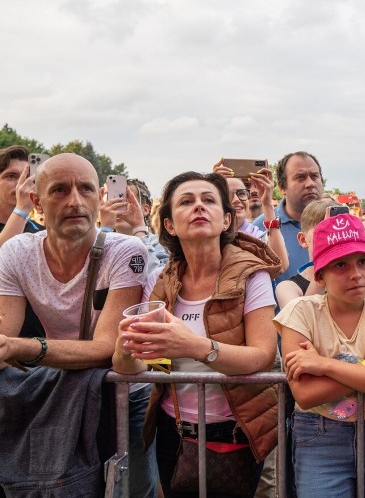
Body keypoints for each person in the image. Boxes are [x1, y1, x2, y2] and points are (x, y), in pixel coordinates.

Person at [112, 171, 282, 498]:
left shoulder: (251, 274)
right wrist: (125, 352)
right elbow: (155, 368)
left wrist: (194, 346)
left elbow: (263, 355)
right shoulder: (160, 282)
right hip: (173, 432)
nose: (199, 207)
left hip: (237, 432)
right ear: (170, 225)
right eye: (187, 202)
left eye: (209, 200)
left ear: (226, 220)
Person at [0, 153, 154, 496]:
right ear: (37, 202)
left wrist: (21, 348)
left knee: (136, 489)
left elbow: (105, 348)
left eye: (85, 189)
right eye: (59, 190)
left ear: (99, 199)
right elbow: (4, 334)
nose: (74, 201)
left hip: (126, 394)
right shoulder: (15, 253)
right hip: (64, 391)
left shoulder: (126, 250)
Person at [275, 214, 365, 497]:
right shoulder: (300, 313)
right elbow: (305, 393)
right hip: (319, 438)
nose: (356, 274)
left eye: (362, 262)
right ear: (320, 274)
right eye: (340, 264)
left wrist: (325, 365)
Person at [252, 151, 324, 281]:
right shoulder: (259, 228)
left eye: (315, 176)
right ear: (282, 187)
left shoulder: (337, 223)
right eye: (300, 177)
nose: (310, 184)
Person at [0, 145, 44, 248]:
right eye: (11, 176)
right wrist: (21, 210)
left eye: (27, 176)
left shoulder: (41, 233)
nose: (22, 183)